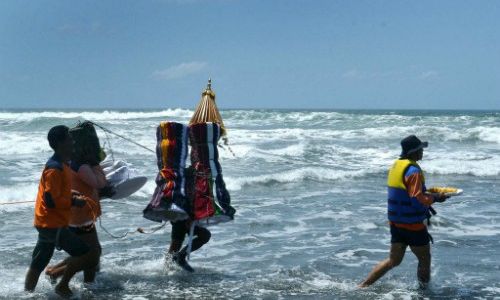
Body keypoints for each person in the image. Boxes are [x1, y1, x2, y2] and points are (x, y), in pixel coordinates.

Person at [359, 135, 449, 288]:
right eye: (420, 149)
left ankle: (362, 286)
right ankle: (424, 293)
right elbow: (416, 199)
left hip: (396, 224)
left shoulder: (397, 165)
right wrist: (435, 198)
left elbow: (407, 192)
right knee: (424, 259)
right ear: (414, 151)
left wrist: (428, 193)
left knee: (393, 261)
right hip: (413, 225)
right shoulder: (413, 170)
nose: (422, 152)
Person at [24, 125, 99, 298]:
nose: (72, 142)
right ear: (60, 143)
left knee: (39, 262)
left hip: (46, 222)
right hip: (52, 224)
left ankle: (27, 295)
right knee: (89, 255)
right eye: (69, 139)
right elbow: (50, 200)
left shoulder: (62, 165)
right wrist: (73, 201)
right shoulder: (55, 168)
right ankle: (62, 286)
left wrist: (69, 193)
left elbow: (55, 193)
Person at [45, 160, 108, 283]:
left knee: (93, 251)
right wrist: (96, 165)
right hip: (80, 217)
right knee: (91, 255)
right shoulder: (80, 165)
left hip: (76, 215)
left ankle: (54, 270)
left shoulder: (70, 162)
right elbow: (99, 183)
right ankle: (57, 274)